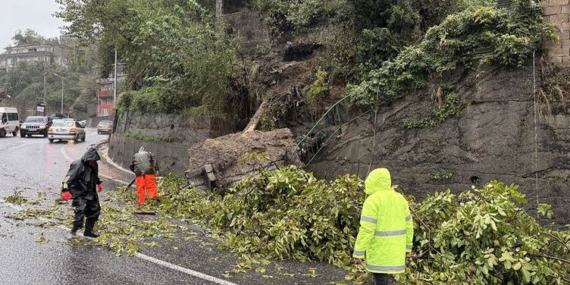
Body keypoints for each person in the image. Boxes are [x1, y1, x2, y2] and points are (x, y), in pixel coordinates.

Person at [352, 168, 413, 285]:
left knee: (381, 280)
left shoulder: (372, 200)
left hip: (379, 252)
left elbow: (367, 229)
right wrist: (407, 248)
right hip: (396, 251)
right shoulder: (400, 199)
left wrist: (358, 252)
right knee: (384, 280)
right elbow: (409, 225)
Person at [61, 147, 103, 238]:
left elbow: (95, 175)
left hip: (91, 192)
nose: (92, 162)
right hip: (80, 192)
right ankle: (73, 231)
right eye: (91, 160)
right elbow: (66, 180)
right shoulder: (77, 165)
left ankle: (88, 231)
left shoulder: (94, 164)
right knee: (80, 212)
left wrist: (98, 183)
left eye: (94, 160)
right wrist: (65, 190)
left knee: (95, 210)